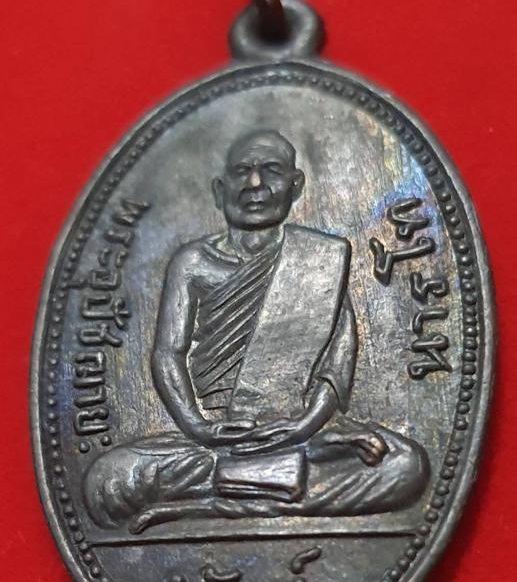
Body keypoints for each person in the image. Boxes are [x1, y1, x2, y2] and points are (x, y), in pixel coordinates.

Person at [84, 130, 429, 531]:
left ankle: (221, 496)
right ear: (220, 190)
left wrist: (305, 426)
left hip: (300, 433)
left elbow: (336, 363)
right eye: (242, 172)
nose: (254, 184)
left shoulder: (321, 259)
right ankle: (274, 485)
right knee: (106, 484)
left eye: (271, 171)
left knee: (405, 465)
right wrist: (199, 427)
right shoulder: (193, 262)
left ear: (295, 185)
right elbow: (168, 353)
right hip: (212, 441)